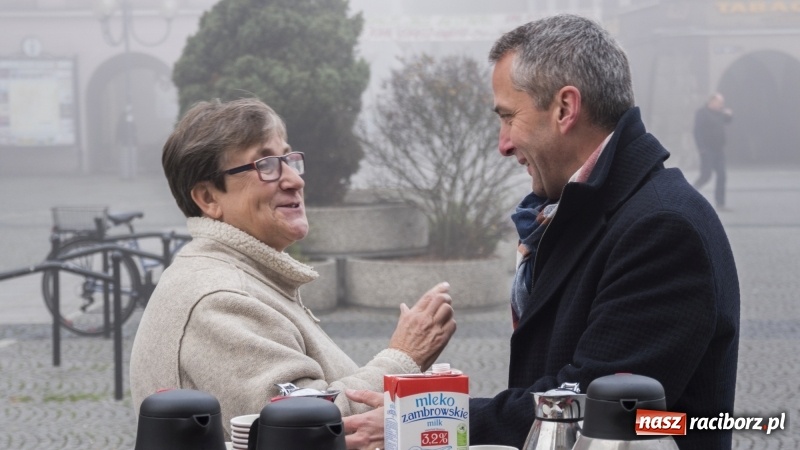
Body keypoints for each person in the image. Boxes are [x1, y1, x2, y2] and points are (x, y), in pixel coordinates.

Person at [345, 14, 740, 450]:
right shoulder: (580, 208)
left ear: (565, 109)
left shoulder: (661, 227)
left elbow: (592, 404)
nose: (503, 143)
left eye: (509, 117)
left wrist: (429, 420)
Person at [129, 98, 457, 446]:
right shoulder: (220, 299)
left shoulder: (242, 276)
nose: (293, 180)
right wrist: (403, 359)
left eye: (289, 159)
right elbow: (302, 431)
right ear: (209, 198)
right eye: (266, 164)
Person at [693, 92, 733, 210]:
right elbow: (697, 131)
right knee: (706, 175)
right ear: (712, 102)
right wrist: (701, 148)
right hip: (707, 150)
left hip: (719, 150)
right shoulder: (702, 113)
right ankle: (689, 193)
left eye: (722, 103)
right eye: (720, 102)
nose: (722, 105)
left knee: (722, 175)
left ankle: (720, 203)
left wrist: (729, 115)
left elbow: (728, 121)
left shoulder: (720, 113)